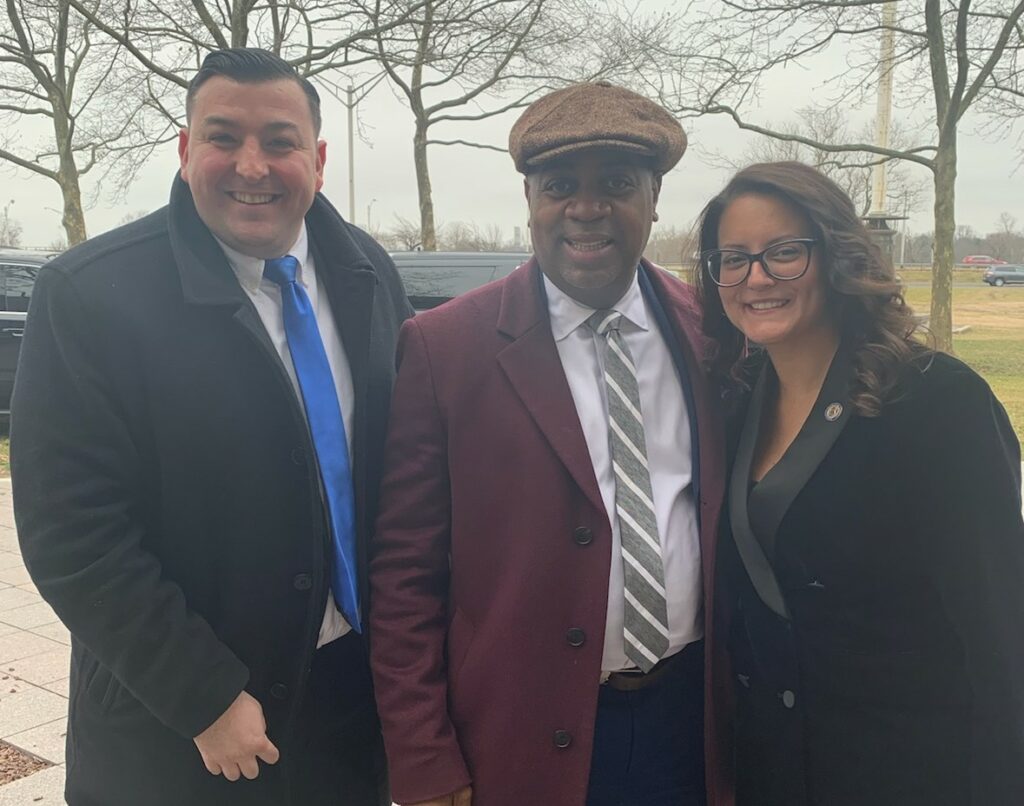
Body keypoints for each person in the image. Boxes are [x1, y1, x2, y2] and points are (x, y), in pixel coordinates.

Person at [10, 48, 411, 806]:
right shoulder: (92, 297)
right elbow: (71, 533)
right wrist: (204, 695)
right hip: (186, 730)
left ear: (318, 158)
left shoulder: (366, 272)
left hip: (349, 711)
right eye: (223, 137)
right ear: (187, 148)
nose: (251, 165)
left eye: (280, 142)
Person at [369, 81, 732, 806]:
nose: (587, 208)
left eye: (617, 185)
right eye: (560, 185)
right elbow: (404, 577)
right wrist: (424, 758)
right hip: (522, 737)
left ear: (655, 197)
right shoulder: (446, 349)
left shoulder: (714, 333)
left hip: (692, 725)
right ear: (530, 200)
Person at [695, 161, 1024, 805]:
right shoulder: (733, 405)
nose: (756, 277)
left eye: (784, 253)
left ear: (838, 255)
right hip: (780, 770)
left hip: (920, 771)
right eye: (733, 258)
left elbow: (1001, 625)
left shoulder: (937, 402)